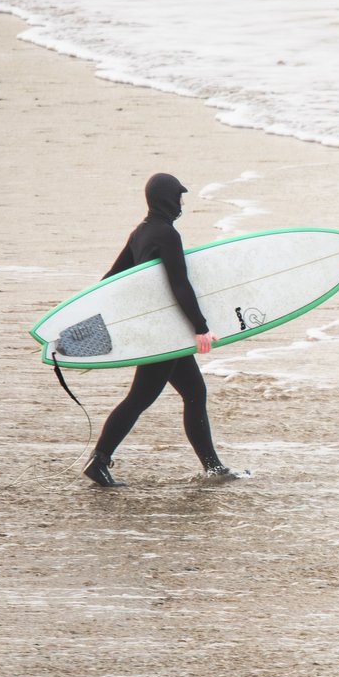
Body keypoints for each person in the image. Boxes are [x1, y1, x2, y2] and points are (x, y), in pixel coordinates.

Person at [82, 172, 244, 486]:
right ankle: (99, 460)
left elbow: (110, 280)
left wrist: (91, 316)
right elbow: (179, 284)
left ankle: (213, 467)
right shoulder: (167, 235)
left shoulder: (140, 232)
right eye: (179, 197)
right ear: (168, 199)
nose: (182, 203)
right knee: (140, 397)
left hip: (158, 329)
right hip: (162, 334)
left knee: (194, 392)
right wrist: (200, 327)